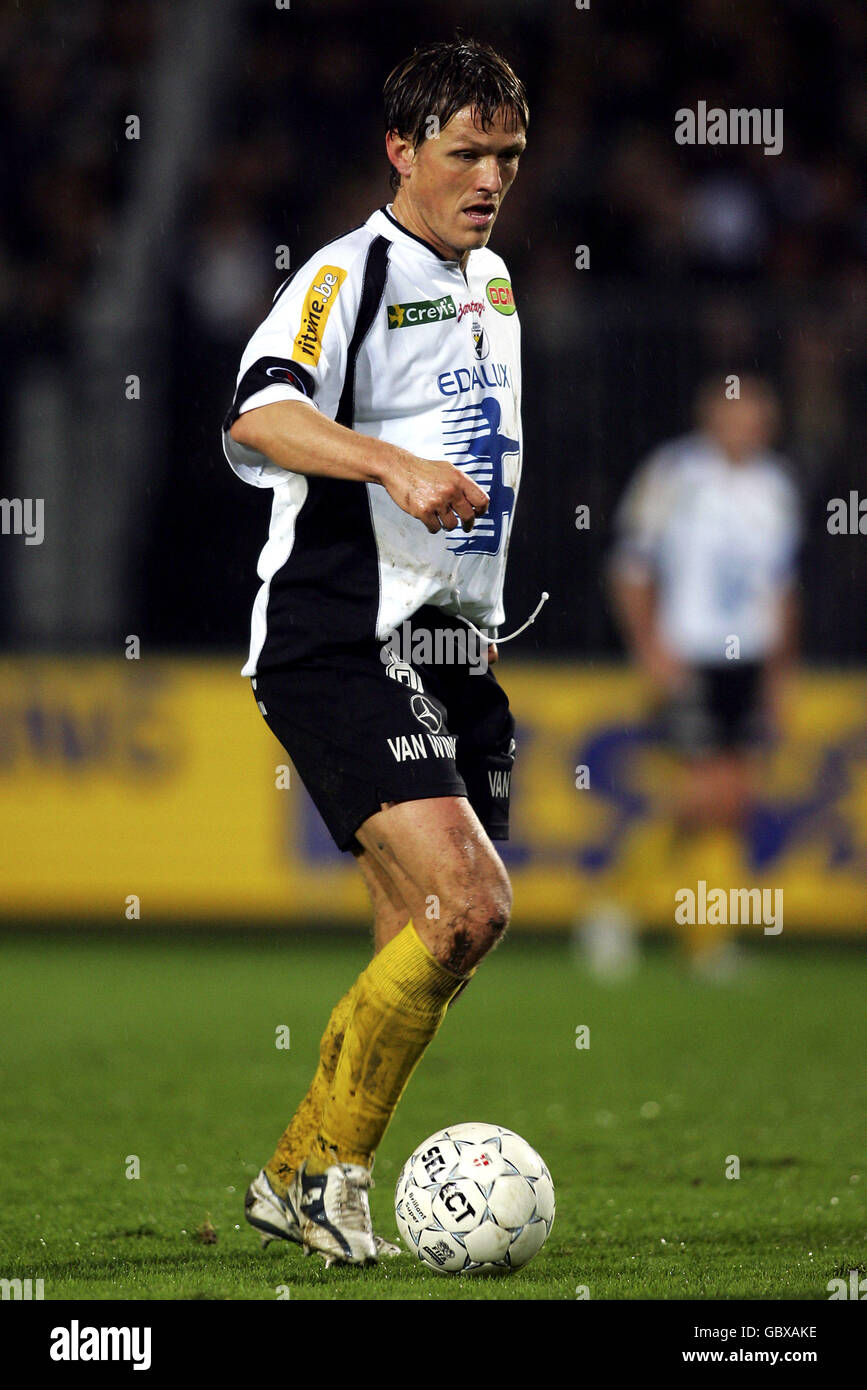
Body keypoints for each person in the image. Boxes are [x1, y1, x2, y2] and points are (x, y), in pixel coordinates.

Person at [221, 38, 528, 1265]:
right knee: (470, 906)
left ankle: (297, 1174)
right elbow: (258, 405)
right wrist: (390, 460)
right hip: (342, 628)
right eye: (465, 152)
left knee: (428, 933)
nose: (491, 175)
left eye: (508, 153)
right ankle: (327, 1176)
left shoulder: (493, 279)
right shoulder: (347, 274)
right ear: (402, 151)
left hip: (452, 646)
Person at [608, 374, 801, 971]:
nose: (748, 427)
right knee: (703, 791)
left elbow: (782, 587)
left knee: (734, 800)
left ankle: (705, 940)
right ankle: (615, 907)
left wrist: (779, 675)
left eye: (757, 417)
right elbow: (631, 566)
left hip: (747, 660)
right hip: (690, 652)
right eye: (737, 414)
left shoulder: (775, 485)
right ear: (710, 417)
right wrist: (648, 647)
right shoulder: (673, 473)